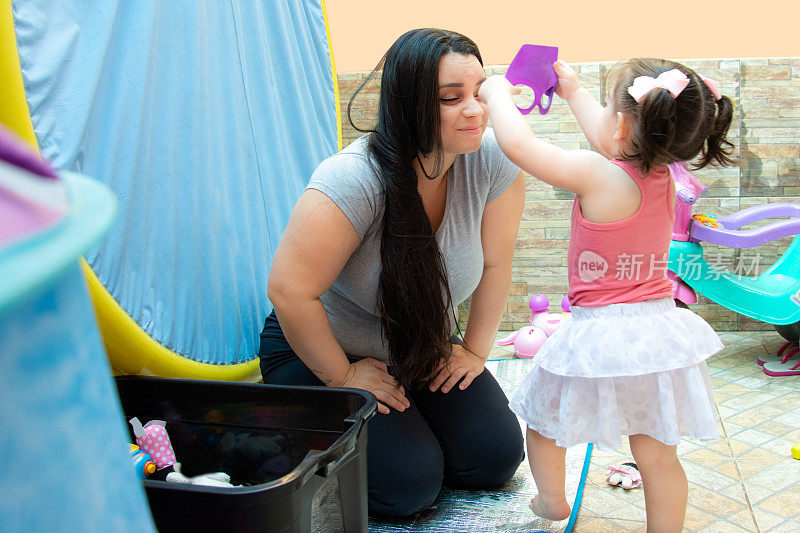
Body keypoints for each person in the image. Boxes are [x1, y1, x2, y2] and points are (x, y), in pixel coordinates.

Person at [260, 28, 526, 516]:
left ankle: (409, 422)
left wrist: (474, 350)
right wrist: (341, 376)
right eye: (452, 97)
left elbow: (495, 263)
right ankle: (297, 425)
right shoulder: (353, 178)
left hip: (417, 346)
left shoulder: (491, 160)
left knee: (494, 459)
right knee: (408, 486)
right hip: (322, 350)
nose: (475, 110)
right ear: (408, 103)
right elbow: (289, 290)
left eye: (479, 92)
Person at [479, 57, 734, 531]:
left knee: (544, 423)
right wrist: (574, 90)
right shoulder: (668, 173)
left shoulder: (599, 174)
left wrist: (496, 94)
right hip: (656, 329)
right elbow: (610, 137)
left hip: (599, 329)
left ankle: (552, 501)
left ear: (621, 125)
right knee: (658, 455)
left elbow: (520, 144)